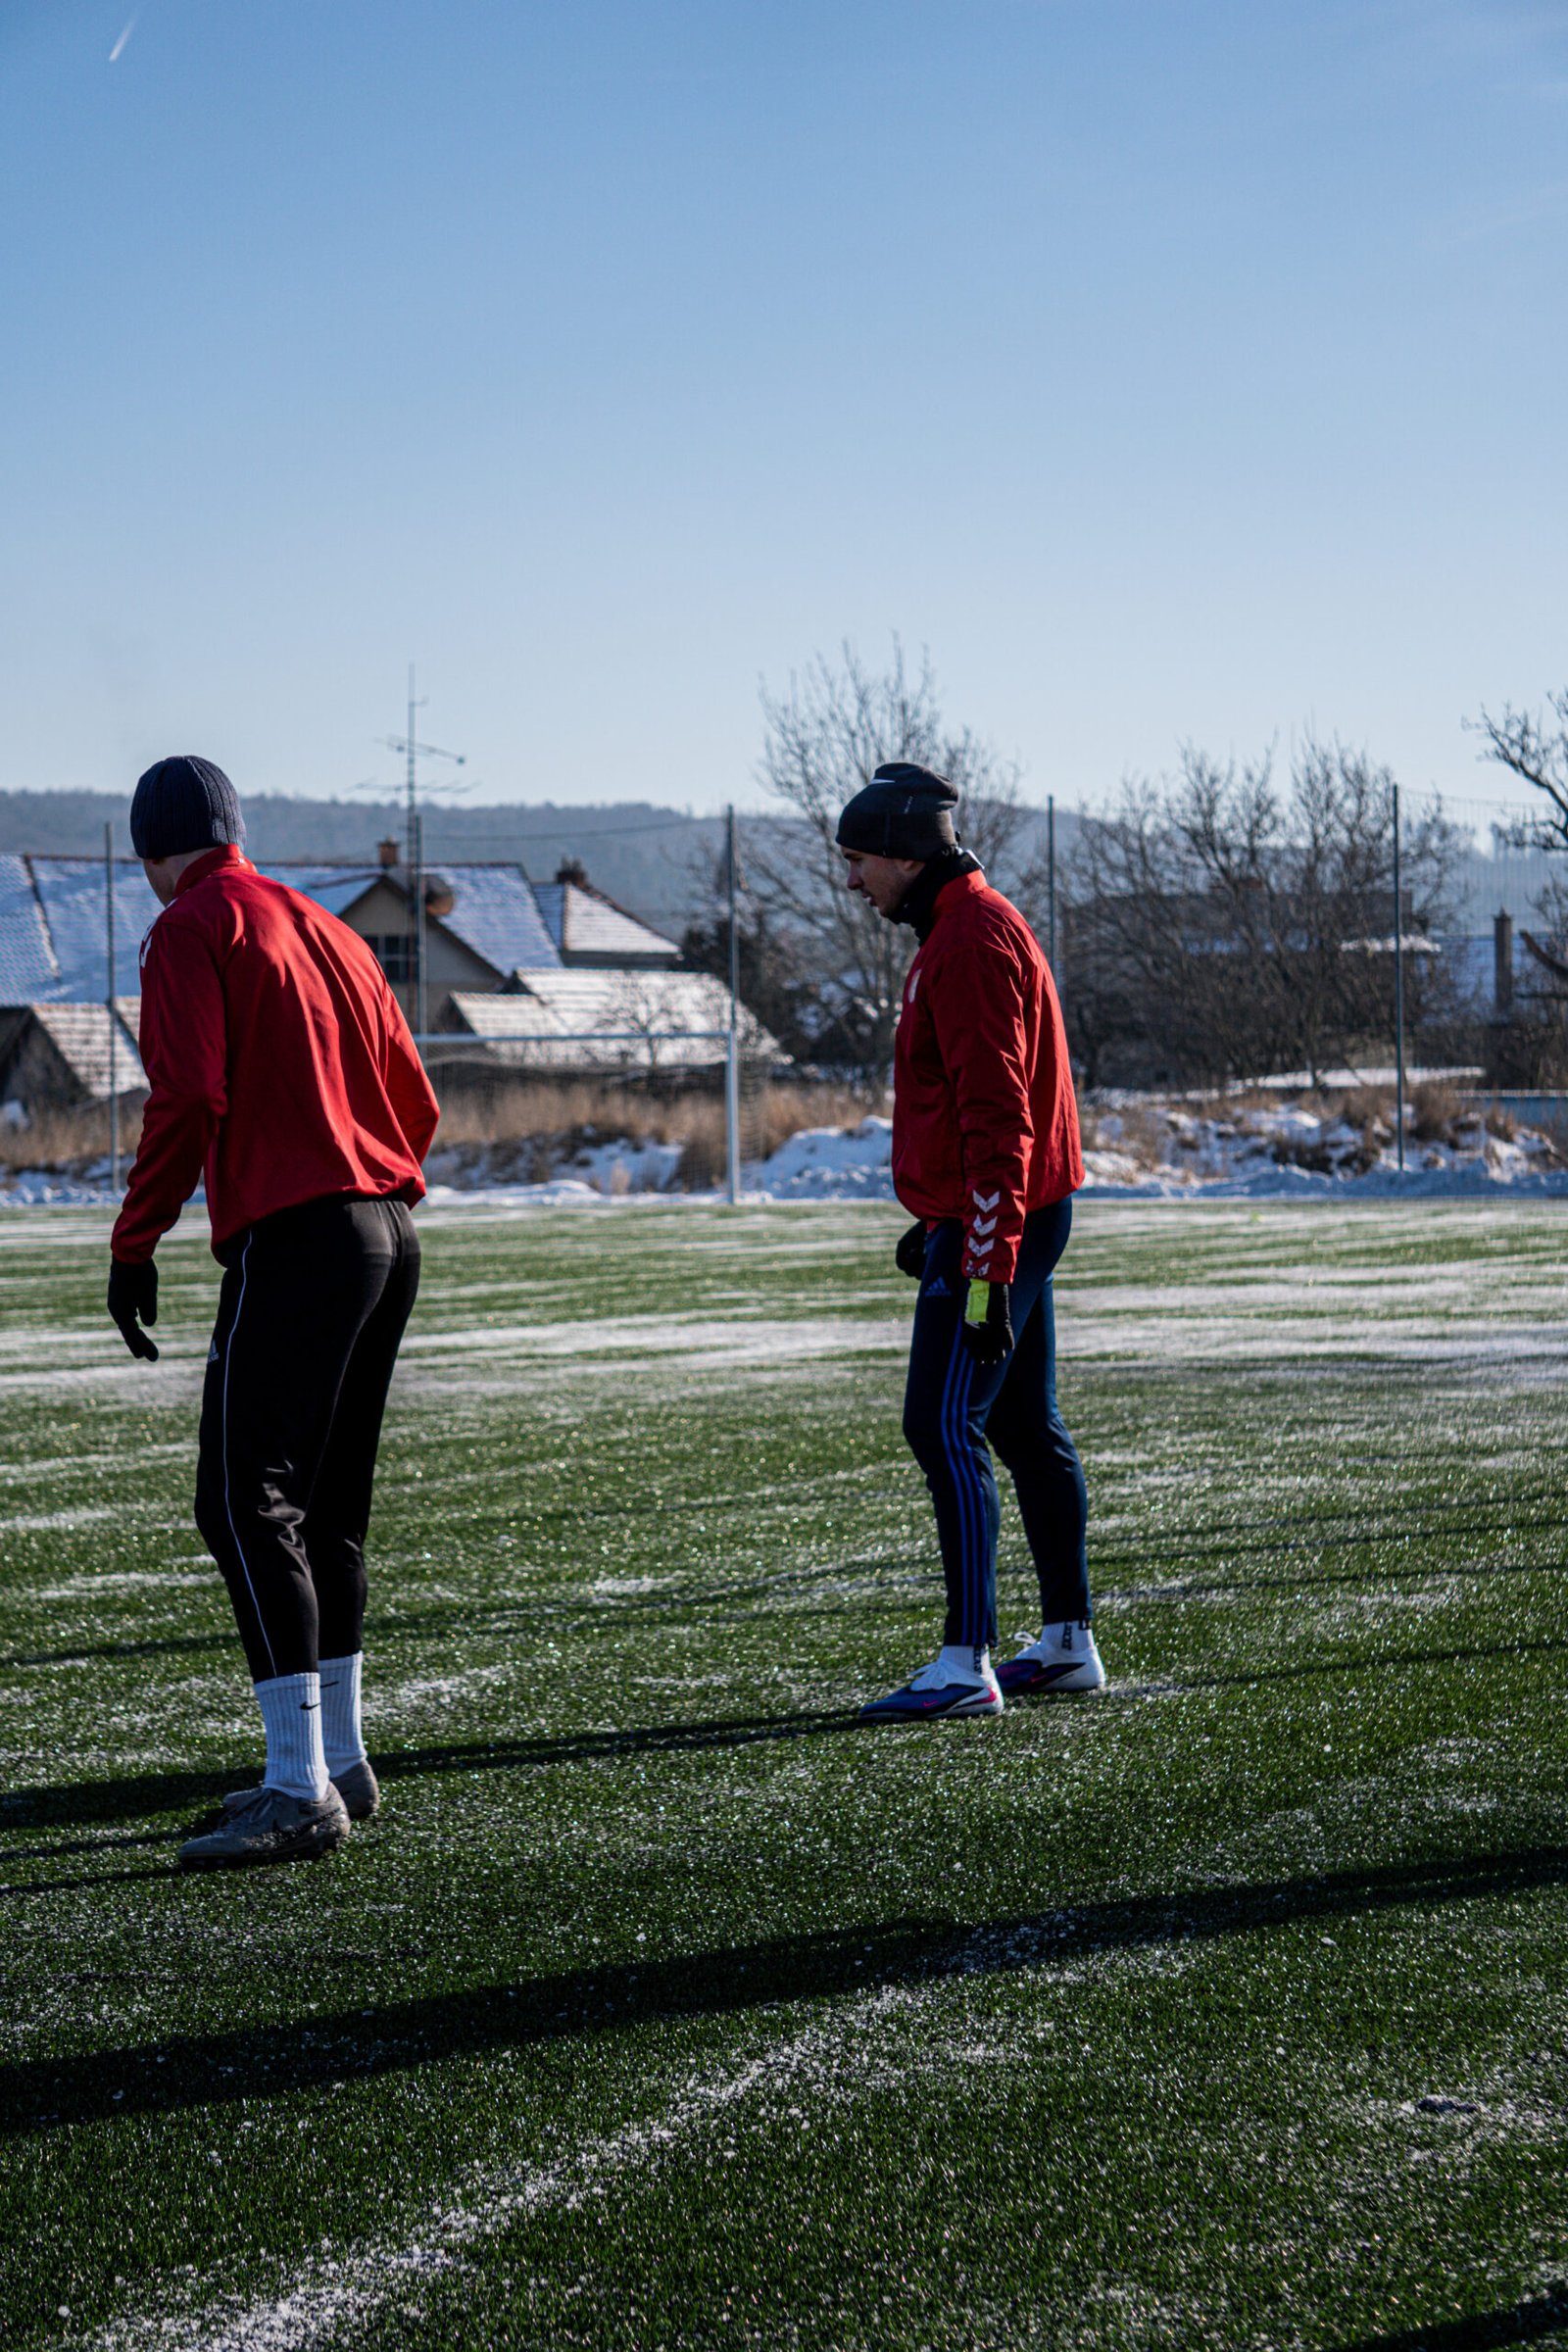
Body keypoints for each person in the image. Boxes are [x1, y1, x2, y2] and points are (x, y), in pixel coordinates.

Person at [107, 756, 440, 1867]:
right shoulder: (329, 925)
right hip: (388, 1231)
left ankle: (299, 1787)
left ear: (153, 853)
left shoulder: (189, 926)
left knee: (242, 1503)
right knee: (329, 1509)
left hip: (299, 1235)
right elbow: (416, 1098)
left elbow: (188, 1093)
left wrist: (136, 1238)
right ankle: (341, 1756)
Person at [837, 761, 1102, 1720]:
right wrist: (940, 1219)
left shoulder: (969, 942)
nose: (853, 880)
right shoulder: (964, 927)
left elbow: (1000, 1121)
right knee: (1024, 1426)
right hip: (1003, 1214)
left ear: (907, 856)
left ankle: (965, 1664)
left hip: (1004, 1221)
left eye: (860, 860)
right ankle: (1067, 1644)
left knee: (942, 1423)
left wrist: (982, 1268)